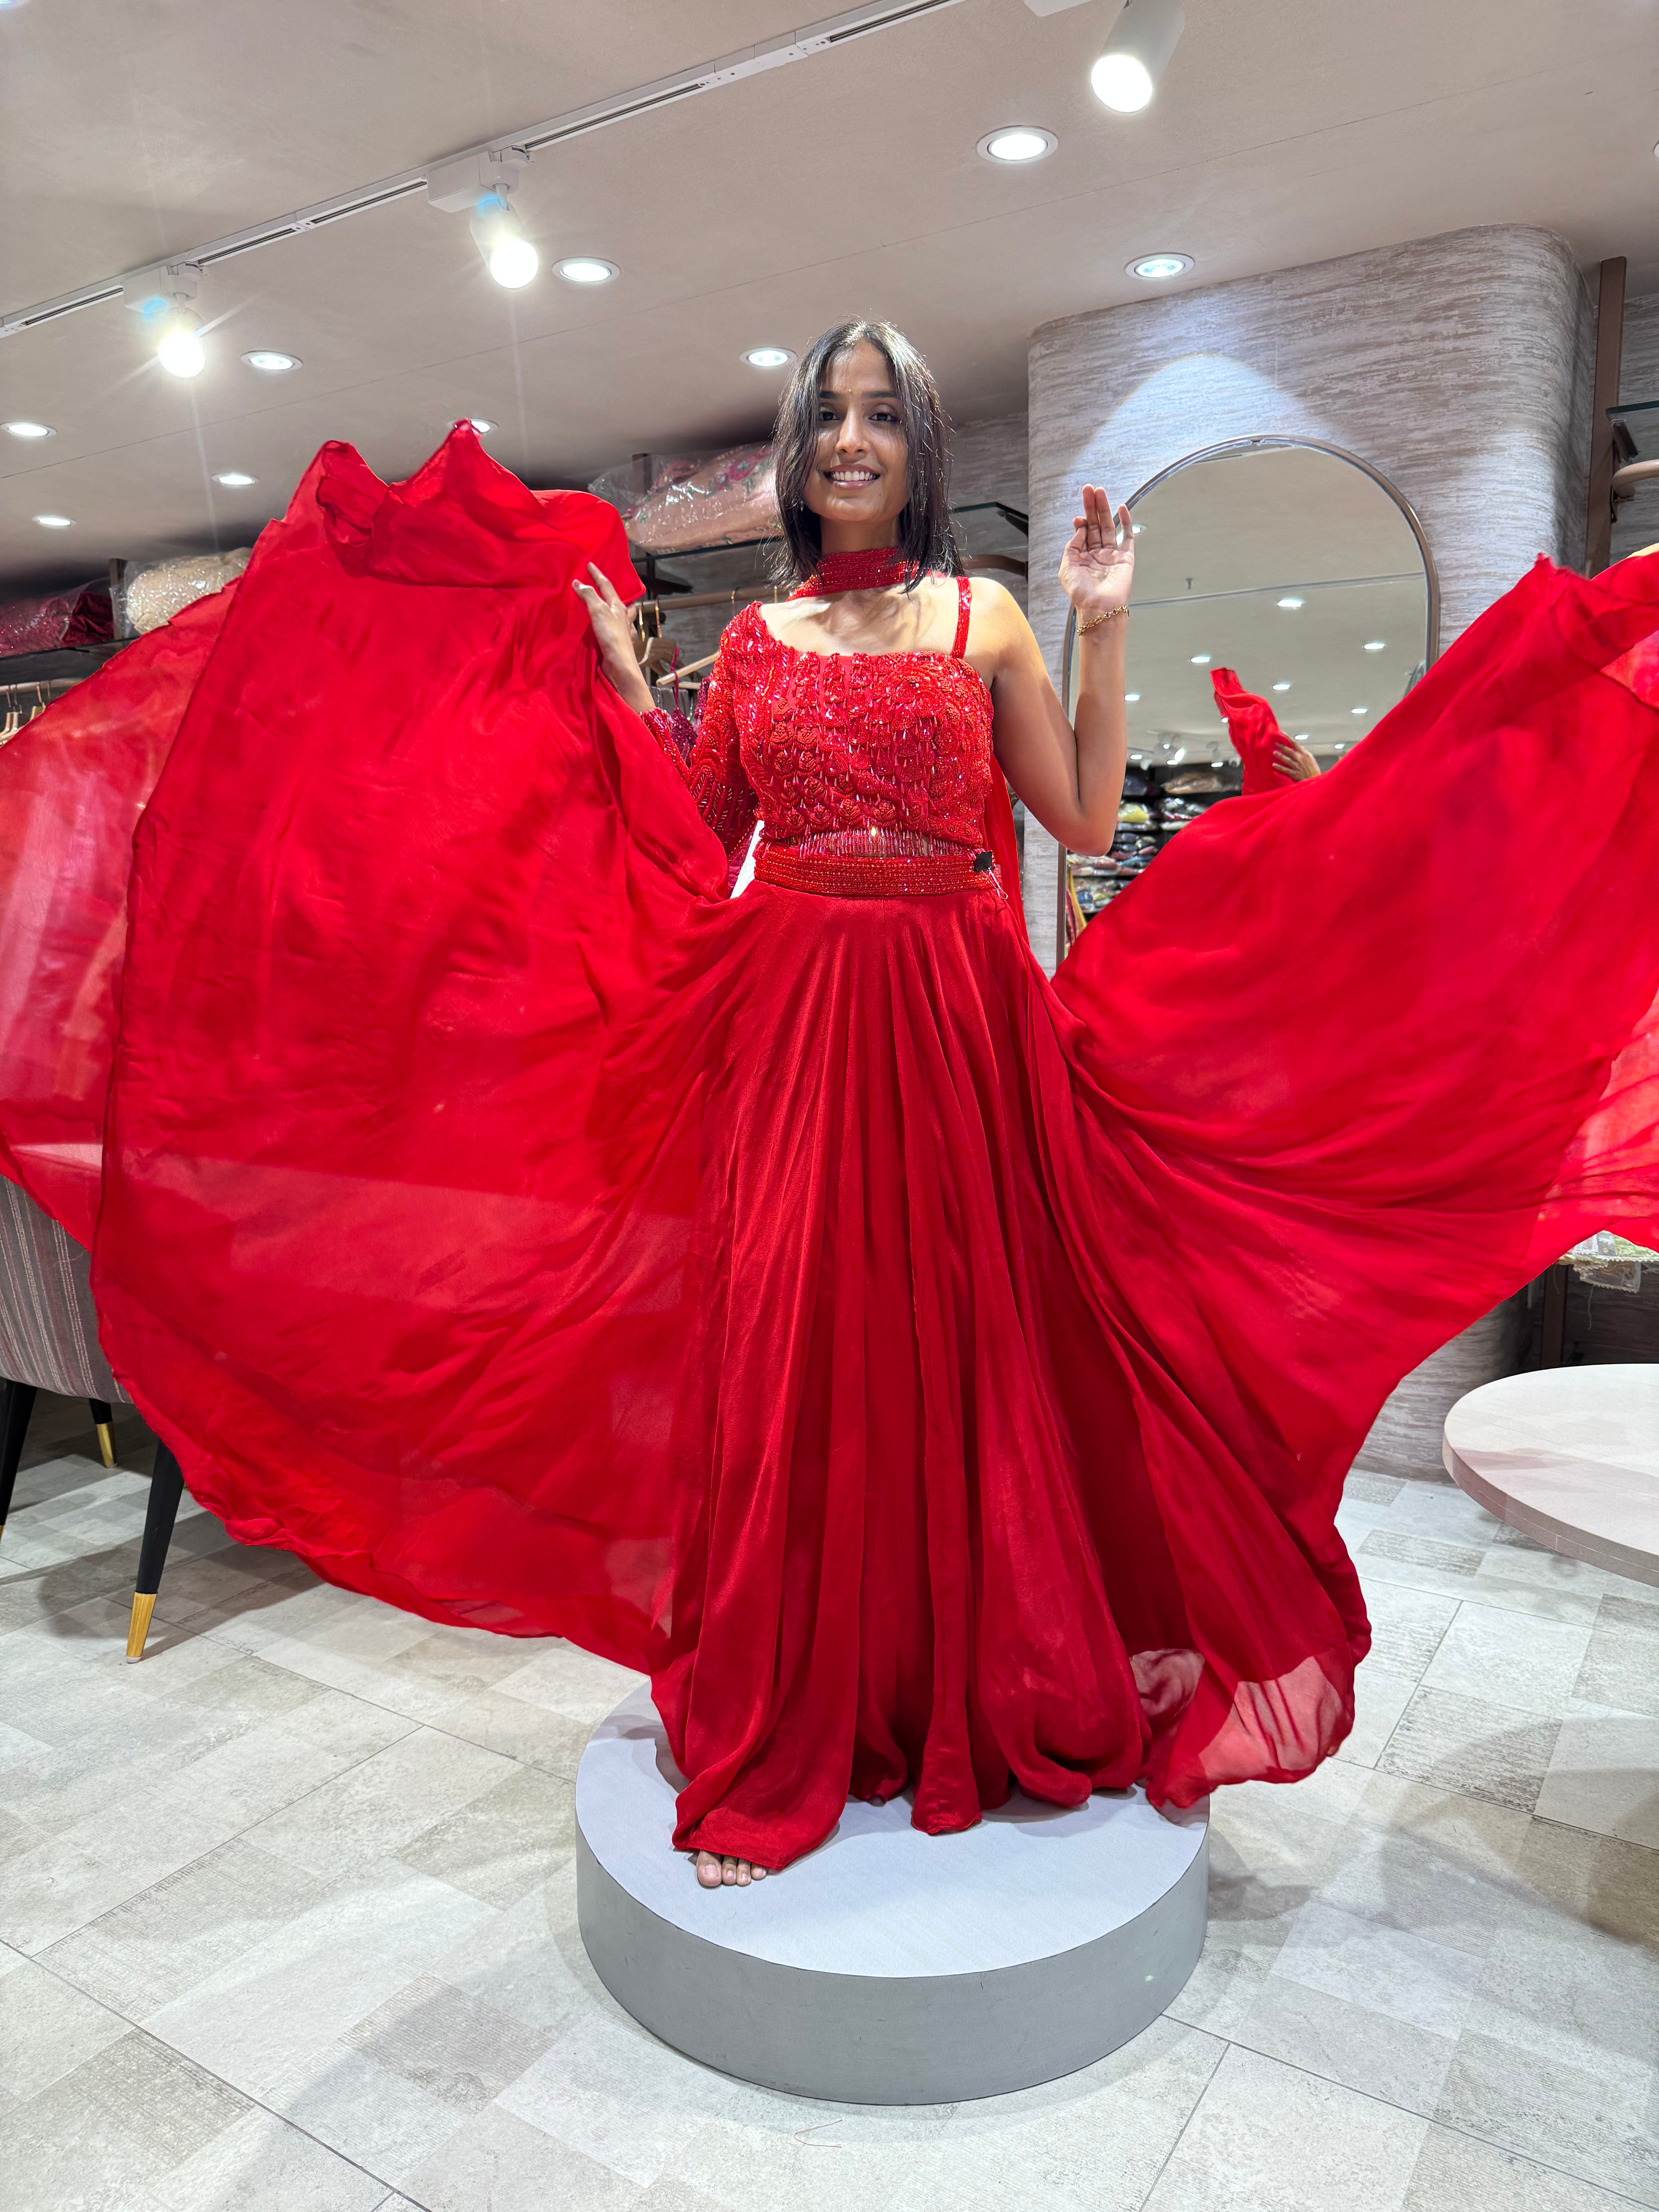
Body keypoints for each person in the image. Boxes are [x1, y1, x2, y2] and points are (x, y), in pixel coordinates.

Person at [3, 324, 1657, 1904]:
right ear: (799, 455)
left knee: (974, 1349)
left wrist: (1102, 625)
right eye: (829, 416)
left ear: (917, 446)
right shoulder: (754, 646)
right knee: (801, 1357)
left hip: (960, 1016)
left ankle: (971, 1675)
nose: (851, 440)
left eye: (879, 413)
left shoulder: (983, 615)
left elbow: (1086, 816)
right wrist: (614, 686)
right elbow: (681, 842)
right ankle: (799, 1707)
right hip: (789, 1019)